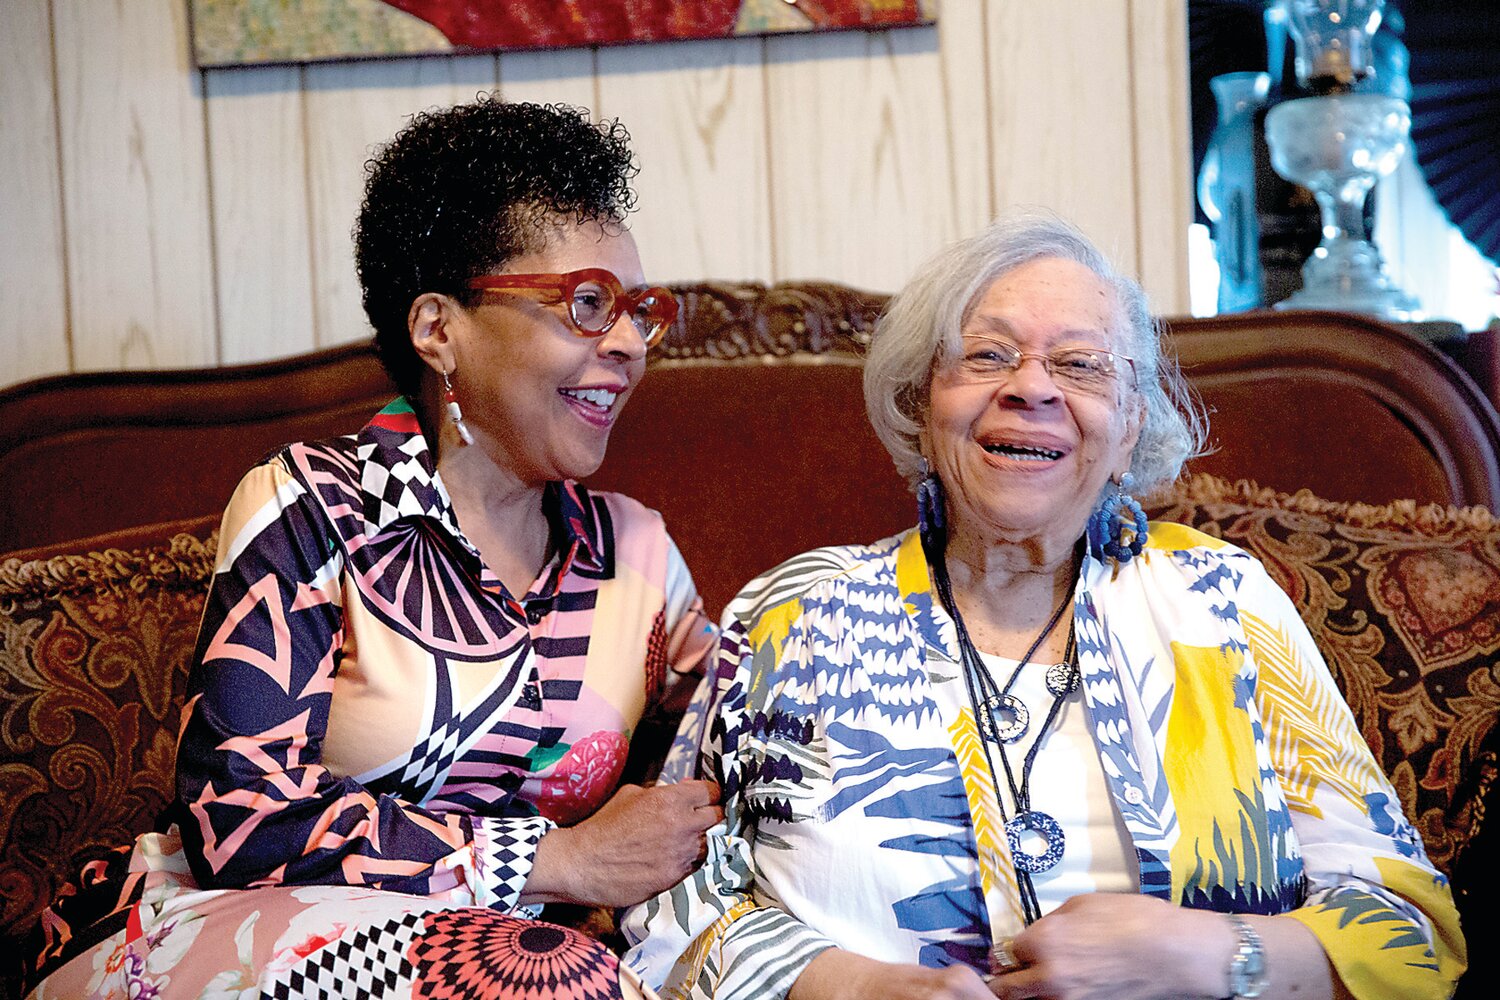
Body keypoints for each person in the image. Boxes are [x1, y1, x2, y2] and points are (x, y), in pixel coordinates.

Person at [623, 212, 1466, 1000]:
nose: (1032, 388)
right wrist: (849, 985)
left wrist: (1200, 956)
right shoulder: (793, 613)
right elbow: (665, 910)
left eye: (1080, 364)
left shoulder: (1221, 600)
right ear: (922, 407)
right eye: (986, 356)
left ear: (1131, 421)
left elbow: (1413, 940)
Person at [24, 97, 721, 999]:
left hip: (508, 968)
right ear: (439, 330)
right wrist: (559, 861)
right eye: (587, 304)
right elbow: (240, 820)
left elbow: (745, 723)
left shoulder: (635, 552)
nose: (628, 345)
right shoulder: (312, 504)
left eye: (638, 310)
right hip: (224, 934)